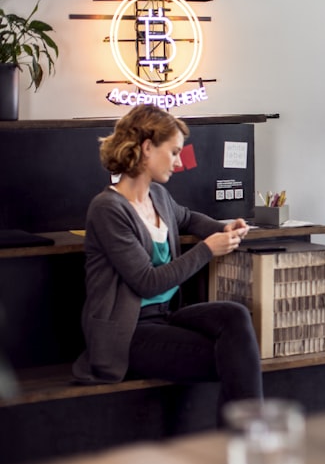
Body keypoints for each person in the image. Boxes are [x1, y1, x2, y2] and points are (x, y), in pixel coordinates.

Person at [72, 104, 263, 417]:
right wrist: (207, 249)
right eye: (173, 152)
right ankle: (245, 440)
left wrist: (222, 228)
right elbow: (147, 282)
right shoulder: (108, 209)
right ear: (147, 148)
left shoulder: (157, 196)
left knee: (234, 316)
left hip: (166, 317)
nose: (178, 162)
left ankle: (243, 439)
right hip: (128, 333)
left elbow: (187, 218)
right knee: (235, 358)